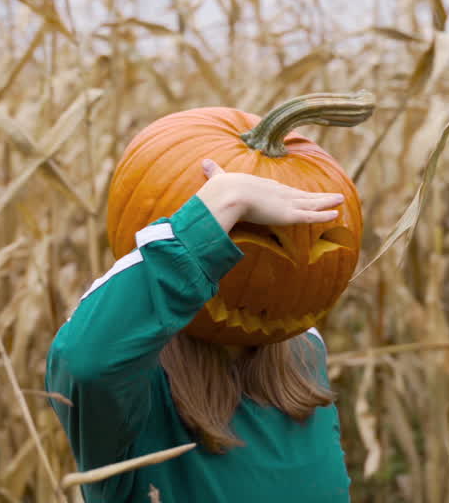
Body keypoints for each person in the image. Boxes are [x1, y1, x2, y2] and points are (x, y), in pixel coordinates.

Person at [46, 158, 351, 502]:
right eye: (234, 238)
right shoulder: (135, 390)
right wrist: (223, 202)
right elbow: (85, 362)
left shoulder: (305, 350)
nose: (264, 269)